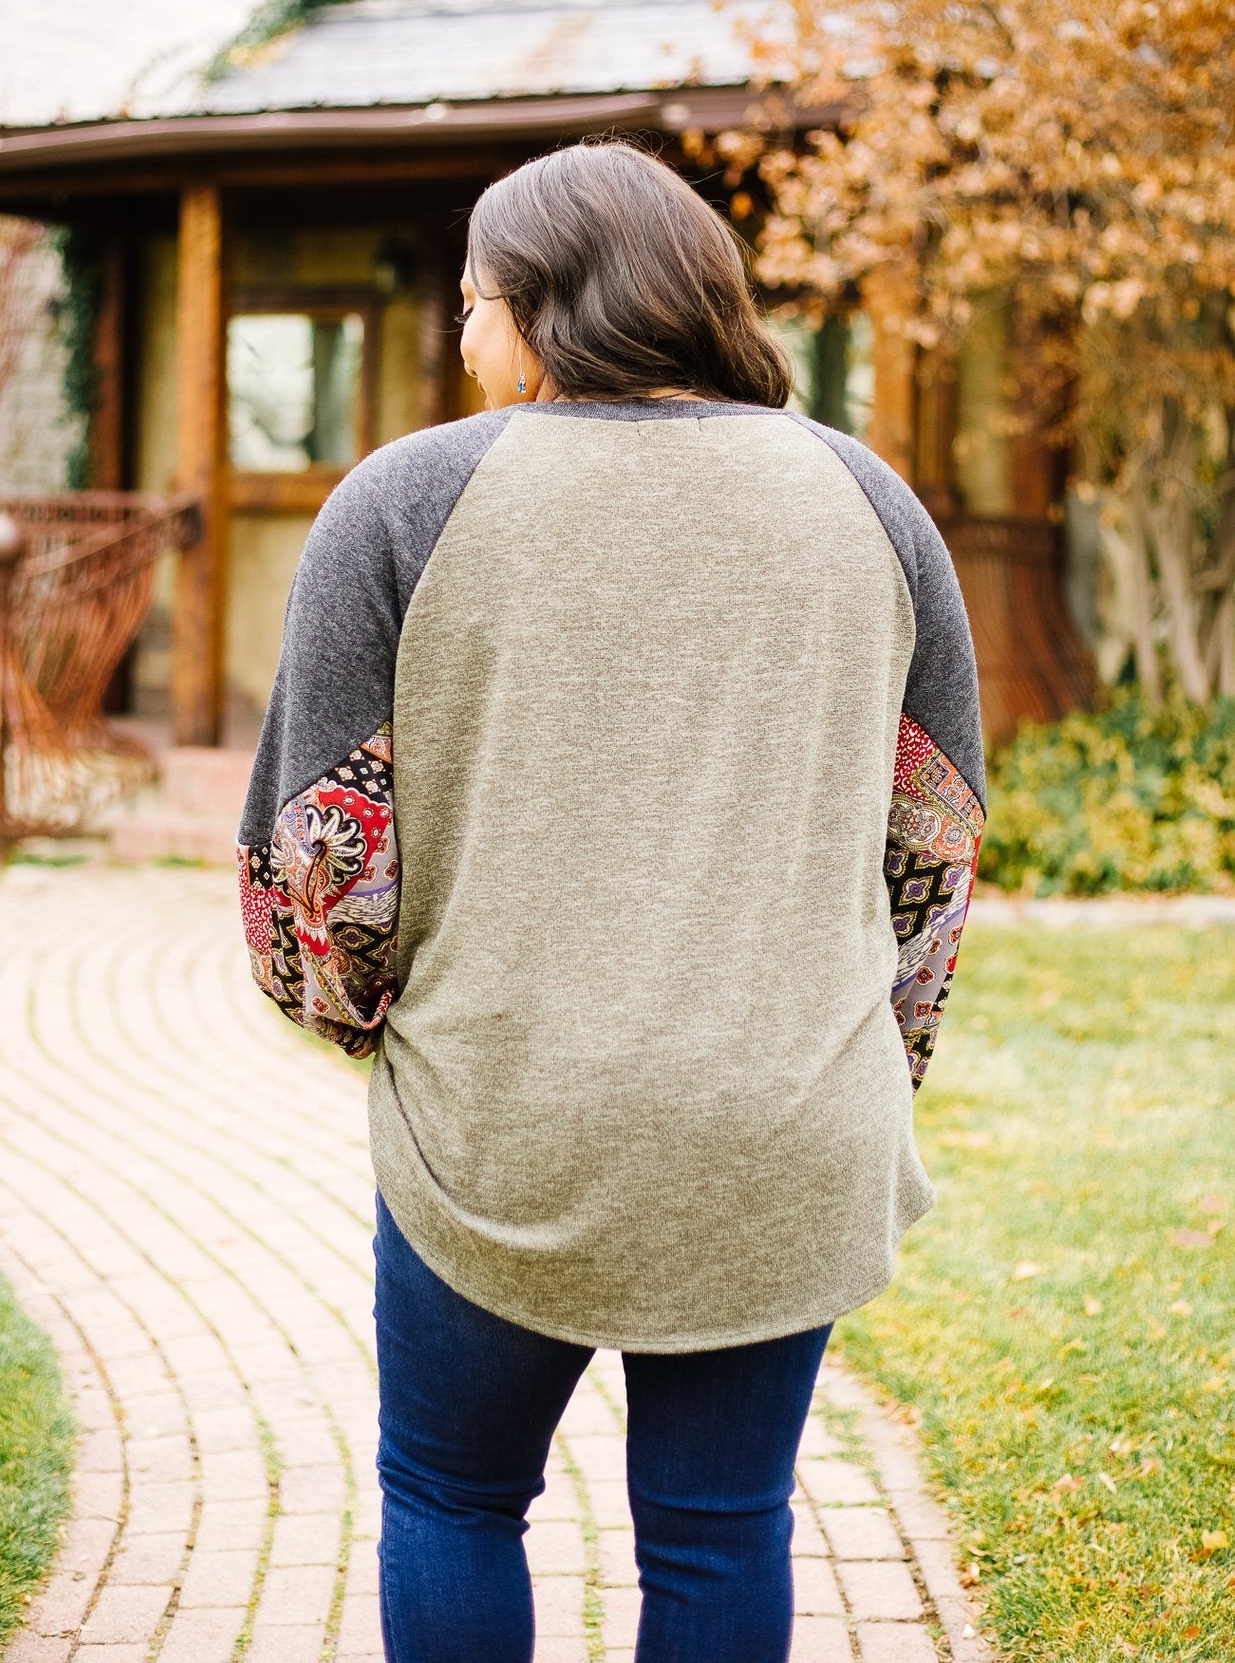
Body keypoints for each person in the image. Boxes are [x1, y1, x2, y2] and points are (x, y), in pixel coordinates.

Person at [236, 139, 986, 1663]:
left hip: (503, 1114)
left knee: (453, 1497)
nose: (463, 336)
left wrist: (354, 1018)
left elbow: (320, 854)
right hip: (786, 1117)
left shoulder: (405, 500)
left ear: (545, 303)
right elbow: (935, 841)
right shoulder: (869, 498)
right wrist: (874, 1047)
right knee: (722, 1535)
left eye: (472, 302)